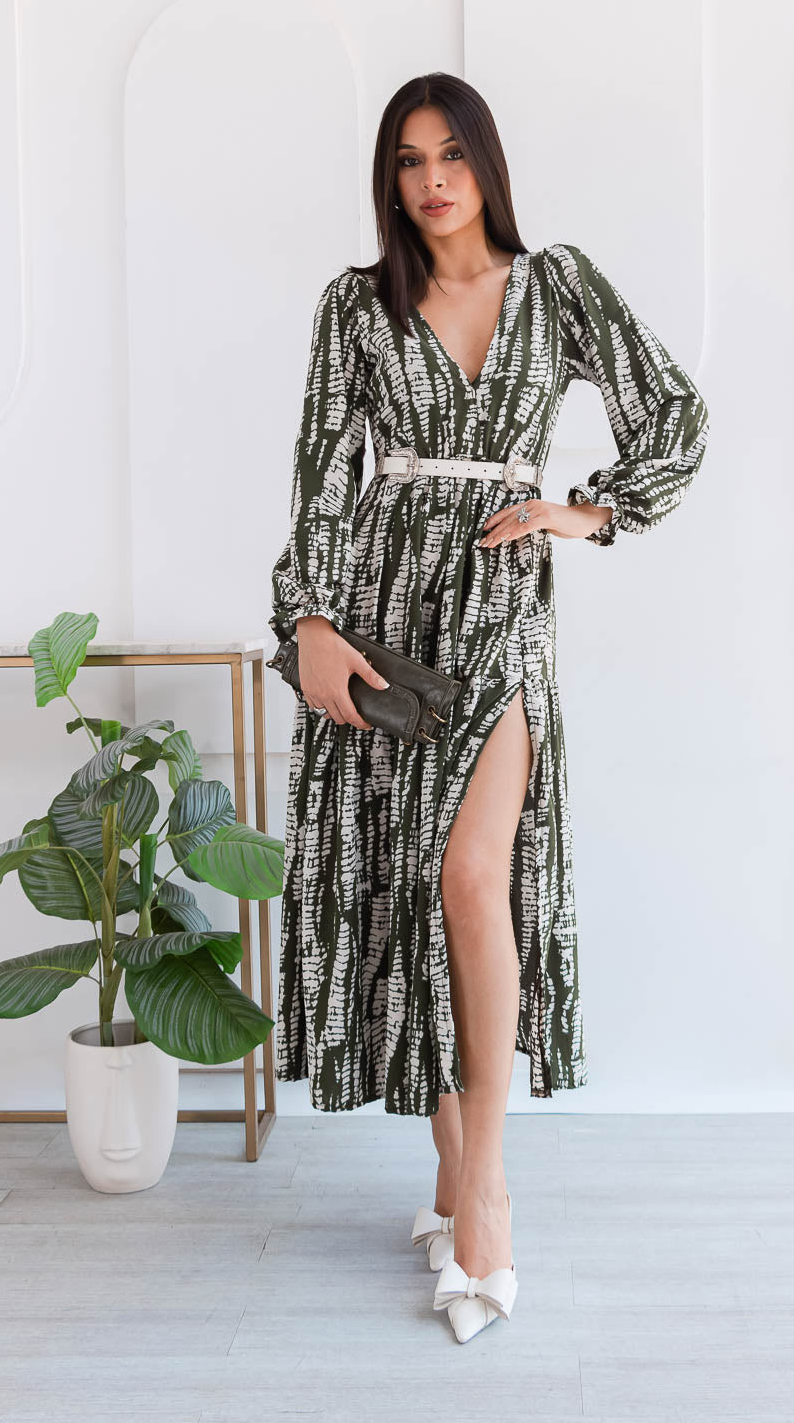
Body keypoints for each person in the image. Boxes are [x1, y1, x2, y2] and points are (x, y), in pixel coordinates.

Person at [269, 71, 710, 1342]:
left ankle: (489, 1192)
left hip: (499, 608)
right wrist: (307, 620)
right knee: (414, 879)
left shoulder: (556, 286)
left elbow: (674, 412)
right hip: (380, 615)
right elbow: (319, 477)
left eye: (451, 153)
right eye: (409, 159)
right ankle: (450, 1162)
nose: (431, 179)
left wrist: (586, 509)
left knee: (473, 875)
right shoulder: (356, 307)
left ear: (485, 163)